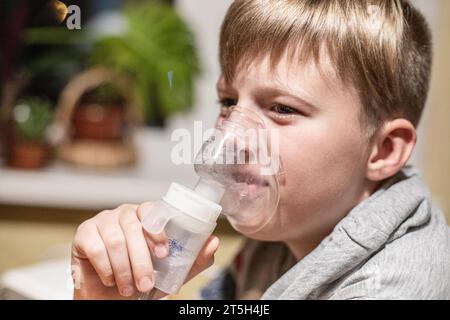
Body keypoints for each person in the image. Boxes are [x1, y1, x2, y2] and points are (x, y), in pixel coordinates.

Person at [71, 0, 450, 300]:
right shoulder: (286, 235)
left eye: (282, 109)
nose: (231, 139)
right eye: (228, 101)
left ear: (383, 150)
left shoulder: (387, 288)